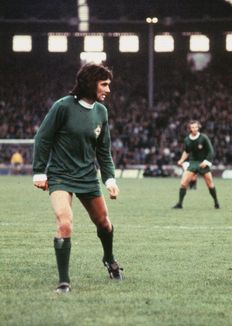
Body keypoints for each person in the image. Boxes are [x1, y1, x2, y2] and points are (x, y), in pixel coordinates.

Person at [32, 63, 123, 294]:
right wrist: (40, 171)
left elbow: (103, 150)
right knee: (64, 223)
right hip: (60, 175)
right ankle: (64, 282)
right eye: (104, 84)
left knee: (104, 222)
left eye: (108, 85)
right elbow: (43, 138)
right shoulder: (62, 106)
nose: (108, 89)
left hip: (87, 176)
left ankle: (109, 259)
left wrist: (110, 179)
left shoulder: (101, 112)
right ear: (90, 83)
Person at [172, 120, 220, 209]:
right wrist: (181, 160)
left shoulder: (203, 138)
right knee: (183, 183)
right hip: (193, 163)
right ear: (189, 129)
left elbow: (211, 152)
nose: (194, 129)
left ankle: (216, 203)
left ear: (198, 127)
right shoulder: (187, 140)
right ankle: (179, 204)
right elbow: (186, 151)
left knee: (210, 184)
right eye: (192, 127)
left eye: (196, 127)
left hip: (203, 163)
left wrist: (206, 162)